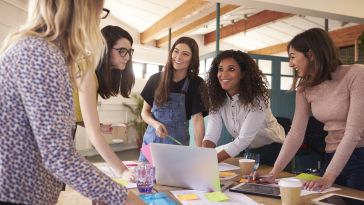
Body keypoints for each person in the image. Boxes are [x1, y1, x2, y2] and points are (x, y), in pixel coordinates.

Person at [0, 1, 132, 204]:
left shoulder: (43, 51)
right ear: (80, 9)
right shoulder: (40, 53)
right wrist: (124, 198)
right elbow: (59, 157)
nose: (97, 20)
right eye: (99, 11)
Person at [264, 28, 364, 191]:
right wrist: (274, 172)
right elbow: (295, 134)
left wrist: (328, 177)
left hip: (360, 156)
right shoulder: (304, 88)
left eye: (292, 56)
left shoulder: (356, 74)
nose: (290, 64)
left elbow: (353, 133)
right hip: (331, 157)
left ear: (310, 54)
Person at [202, 50, 285, 164]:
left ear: (243, 74)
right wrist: (202, 156)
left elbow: (243, 140)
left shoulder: (258, 99)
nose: (223, 74)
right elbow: (211, 135)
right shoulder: (218, 99)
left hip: (274, 150)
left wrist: (209, 160)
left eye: (231, 69)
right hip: (247, 149)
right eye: (220, 69)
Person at [74, 25, 135, 176]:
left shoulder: (91, 70)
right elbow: (93, 135)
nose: (127, 57)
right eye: (122, 51)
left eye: (129, 52)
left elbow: (74, 112)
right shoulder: (87, 72)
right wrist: (123, 171)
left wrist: (99, 126)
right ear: (105, 49)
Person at [139, 36, 208, 161]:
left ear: (192, 60)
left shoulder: (196, 84)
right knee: (146, 179)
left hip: (177, 149)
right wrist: (156, 124)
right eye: (176, 51)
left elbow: (197, 119)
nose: (178, 57)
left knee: (173, 180)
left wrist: (200, 153)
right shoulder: (155, 79)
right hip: (151, 146)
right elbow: (144, 112)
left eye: (185, 54)